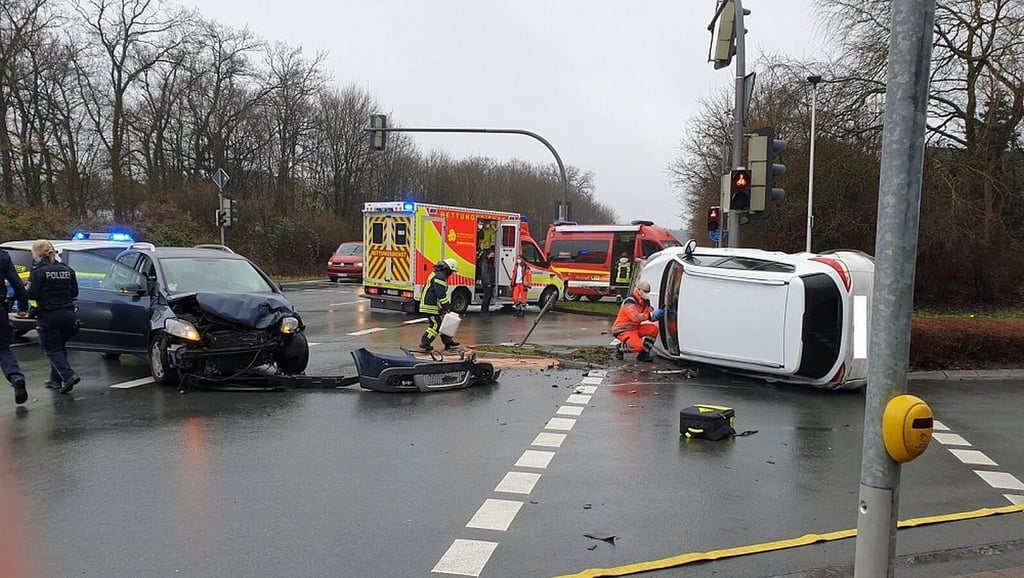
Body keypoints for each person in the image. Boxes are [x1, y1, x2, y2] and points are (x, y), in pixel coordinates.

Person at [26, 240, 80, 394]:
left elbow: (31, 293)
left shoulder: (38, 272)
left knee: (51, 349)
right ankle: (55, 380)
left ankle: (68, 375)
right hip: (68, 314)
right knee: (59, 347)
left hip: (49, 315)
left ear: (37, 254)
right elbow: (74, 292)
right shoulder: (67, 270)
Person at [1, 247, 30, 404]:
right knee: (4, 349)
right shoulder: (3, 257)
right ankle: (16, 377)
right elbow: (17, 285)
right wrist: (23, 307)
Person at [611, 280, 664, 362]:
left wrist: (659, 315)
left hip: (634, 328)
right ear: (638, 290)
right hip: (622, 329)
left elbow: (649, 316)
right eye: (645, 291)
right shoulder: (629, 301)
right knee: (637, 347)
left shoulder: (645, 302)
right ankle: (620, 348)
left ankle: (643, 354)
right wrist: (652, 314)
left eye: (648, 292)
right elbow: (635, 317)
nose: (647, 294)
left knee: (653, 329)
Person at [418, 258, 459, 352]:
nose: (451, 274)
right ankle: (425, 343)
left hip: (433, 304)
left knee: (442, 324)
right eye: (451, 271)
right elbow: (440, 294)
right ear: (447, 269)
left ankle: (448, 342)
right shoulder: (440, 277)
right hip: (430, 305)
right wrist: (447, 307)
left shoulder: (438, 274)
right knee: (435, 325)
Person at [479, 248, 496, 317]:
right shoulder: (485, 263)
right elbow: (485, 273)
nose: (492, 257)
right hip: (487, 283)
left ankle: (486, 311)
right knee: (486, 297)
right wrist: (488, 282)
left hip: (491, 282)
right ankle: (483, 311)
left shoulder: (490, 262)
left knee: (488, 297)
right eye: (491, 256)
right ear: (488, 255)